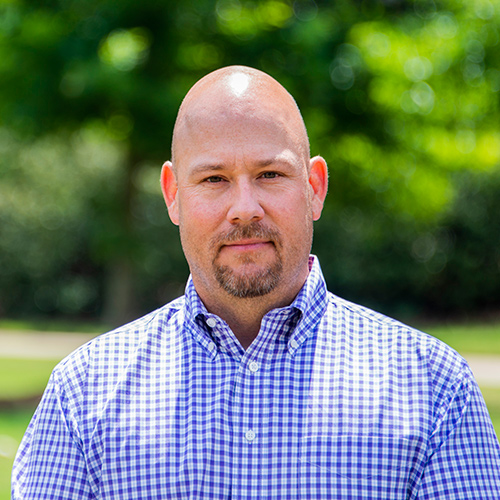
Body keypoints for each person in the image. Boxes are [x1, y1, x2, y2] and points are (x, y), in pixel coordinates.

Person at [12, 66, 500, 499]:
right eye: (214, 180)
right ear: (173, 194)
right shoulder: (82, 395)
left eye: (269, 173)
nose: (244, 207)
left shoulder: (434, 391)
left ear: (313, 188)